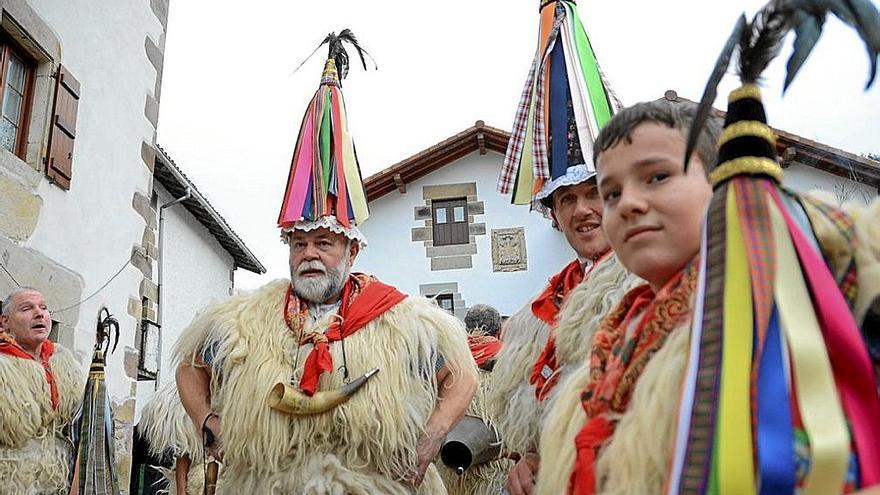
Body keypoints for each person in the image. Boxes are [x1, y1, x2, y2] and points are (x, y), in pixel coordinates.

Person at [174, 34, 477, 494]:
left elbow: (461, 376)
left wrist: (430, 437)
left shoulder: (401, 320)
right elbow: (190, 367)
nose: (308, 255)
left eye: (323, 243)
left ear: (352, 252)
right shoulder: (244, 320)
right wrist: (207, 419)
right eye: (298, 244)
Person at [566, 69, 880, 495]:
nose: (629, 205)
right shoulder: (619, 325)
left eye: (657, 177)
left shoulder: (806, 292)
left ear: (726, 185)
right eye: (612, 193)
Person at [0, 287, 84, 494]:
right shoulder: (3, 365)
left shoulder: (66, 363)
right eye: (26, 308)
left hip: (58, 483)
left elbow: (84, 429)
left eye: (44, 308)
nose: (39, 313)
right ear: (5, 321)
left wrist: (76, 486)